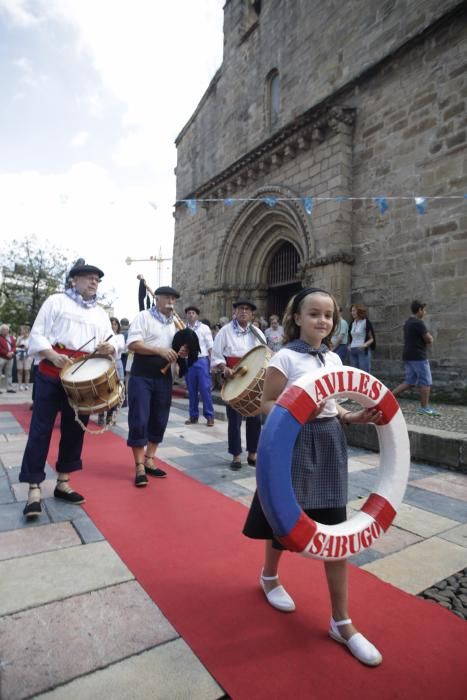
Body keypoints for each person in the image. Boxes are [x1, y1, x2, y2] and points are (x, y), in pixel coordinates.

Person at [243, 287, 383, 667]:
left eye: (328, 315)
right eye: (314, 314)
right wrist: (299, 411)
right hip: (291, 443)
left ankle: (342, 621)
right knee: (282, 518)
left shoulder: (335, 358)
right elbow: (266, 404)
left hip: (329, 443)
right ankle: (269, 577)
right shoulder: (284, 358)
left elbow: (333, 407)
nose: (322, 320)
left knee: (336, 528)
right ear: (297, 318)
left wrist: (351, 417)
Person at [19, 261, 117, 518]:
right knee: (41, 430)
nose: (94, 282)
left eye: (97, 279)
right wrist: (51, 355)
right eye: (88, 277)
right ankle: (34, 488)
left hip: (83, 378)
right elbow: (37, 335)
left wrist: (111, 347)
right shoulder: (55, 301)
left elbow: (112, 339)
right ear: (73, 280)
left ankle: (63, 482)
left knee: (75, 431)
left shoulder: (100, 313)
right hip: (52, 372)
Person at [126, 285, 188, 488]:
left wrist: (182, 355)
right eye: (167, 297)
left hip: (164, 378)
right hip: (141, 375)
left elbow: (178, 351)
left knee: (159, 418)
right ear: (157, 298)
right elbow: (133, 344)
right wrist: (160, 351)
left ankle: (150, 459)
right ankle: (139, 466)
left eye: (174, 298)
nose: (171, 301)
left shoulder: (176, 325)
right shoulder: (144, 317)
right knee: (139, 418)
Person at [211, 299, 266, 470]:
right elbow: (217, 355)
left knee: (255, 418)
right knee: (234, 420)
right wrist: (224, 368)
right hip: (233, 376)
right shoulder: (225, 332)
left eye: (247, 309)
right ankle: (236, 455)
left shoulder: (257, 333)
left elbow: (263, 354)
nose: (244, 312)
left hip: (253, 378)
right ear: (234, 311)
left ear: (252, 314)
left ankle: (252, 453)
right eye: (241, 309)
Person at [392, 300, 440, 416]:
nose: (425, 312)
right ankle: (424, 408)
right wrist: (431, 338)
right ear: (419, 310)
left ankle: (387, 396)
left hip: (408, 356)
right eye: (424, 310)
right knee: (426, 381)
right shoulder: (418, 323)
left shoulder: (408, 322)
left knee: (409, 381)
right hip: (418, 356)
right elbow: (429, 339)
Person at [184, 306, 215, 426]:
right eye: (189, 313)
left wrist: (212, 363)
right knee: (191, 390)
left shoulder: (204, 328)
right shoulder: (183, 328)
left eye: (193, 313)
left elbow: (210, 346)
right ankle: (193, 416)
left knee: (205, 389)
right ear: (186, 315)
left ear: (197, 315)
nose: (191, 315)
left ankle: (210, 416)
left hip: (201, 360)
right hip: (188, 361)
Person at [97, 317, 126, 426]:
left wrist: (111, 345)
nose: (113, 325)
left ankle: (111, 415)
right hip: (104, 363)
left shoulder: (120, 336)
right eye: (112, 323)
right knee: (103, 390)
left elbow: (121, 347)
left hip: (117, 363)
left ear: (118, 326)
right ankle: (101, 415)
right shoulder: (103, 335)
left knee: (117, 390)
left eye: (115, 324)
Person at [348, 304, 375, 373]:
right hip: (352, 350)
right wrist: (349, 345)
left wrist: (365, 345)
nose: (352, 313)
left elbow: (372, 338)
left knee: (364, 373)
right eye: (351, 311)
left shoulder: (365, 322)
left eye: (354, 311)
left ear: (359, 311)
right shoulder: (352, 323)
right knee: (355, 373)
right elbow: (352, 337)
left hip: (362, 350)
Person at [15, 325, 33, 390]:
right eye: (21, 330)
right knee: (19, 370)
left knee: (27, 370)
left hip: (28, 356)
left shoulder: (31, 338)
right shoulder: (19, 337)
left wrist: (27, 347)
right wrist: (19, 341)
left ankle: (26, 385)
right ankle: (20, 385)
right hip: (19, 355)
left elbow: (33, 347)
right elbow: (16, 346)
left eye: (23, 330)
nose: (22, 331)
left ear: (27, 331)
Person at [0, 324, 17, 393]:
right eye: (4, 330)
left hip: (10, 358)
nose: (5, 331)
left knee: (9, 373)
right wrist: (6, 353)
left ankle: (9, 388)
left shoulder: (11, 337)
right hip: (1, 357)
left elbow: (14, 346)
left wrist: (12, 352)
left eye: (6, 330)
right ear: (1, 330)